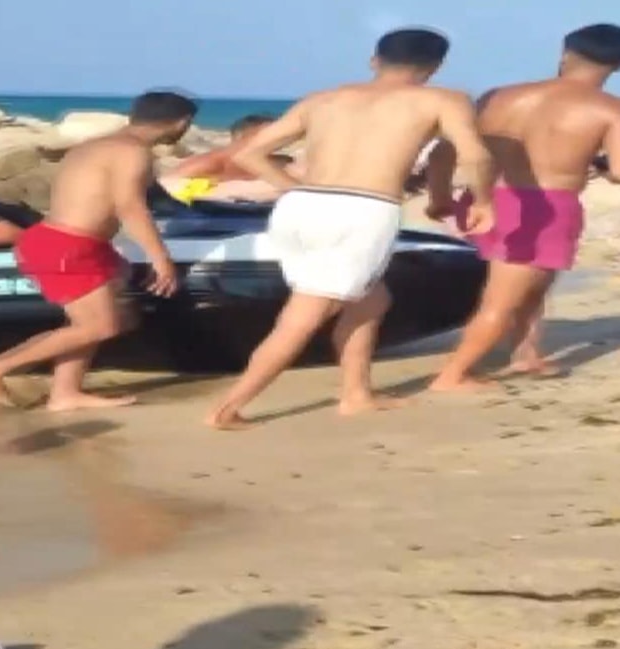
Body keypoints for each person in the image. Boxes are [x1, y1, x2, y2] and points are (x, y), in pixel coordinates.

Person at [205, 28, 495, 430]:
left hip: (300, 208)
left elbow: (250, 153)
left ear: (375, 60)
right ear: (434, 67)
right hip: (362, 210)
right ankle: (227, 409)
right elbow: (475, 156)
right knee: (303, 316)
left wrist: (292, 188)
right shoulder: (444, 99)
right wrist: (483, 202)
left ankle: (356, 394)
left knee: (372, 300)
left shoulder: (323, 99)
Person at [0, 91, 197, 412]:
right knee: (100, 326)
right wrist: (160, 258)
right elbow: (129, 206)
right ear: (182, 122)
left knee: (114, 319)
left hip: (71, 243)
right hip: (68, 247)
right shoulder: (132, 152)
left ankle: (64, 393)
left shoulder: (96, 145)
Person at [427, 23, 620, 390]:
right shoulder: (610, 109)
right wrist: (600, 168)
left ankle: (525, 352)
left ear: (566, 54)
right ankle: (453, 375)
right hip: (543, 207)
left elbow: (443, 153)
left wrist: (440, 199)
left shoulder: (499, 96)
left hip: (487, 198)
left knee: (533, 285)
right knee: (501, 302)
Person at [162, 114, 303, 202]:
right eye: (268, 135)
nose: (276, 140)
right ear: (241, 137)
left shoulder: (281, 162)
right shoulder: (208, 164)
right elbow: (169, 190)